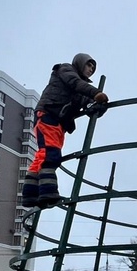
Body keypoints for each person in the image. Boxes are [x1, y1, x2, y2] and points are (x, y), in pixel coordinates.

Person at [22, 53, 109, 208]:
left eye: (93, 68)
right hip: (50, 114)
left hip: (56, 120)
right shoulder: (66, 70)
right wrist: (96, 94)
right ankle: (48, 192)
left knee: (42, 155)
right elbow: (75, 83)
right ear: (80, 63)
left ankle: (31, 194)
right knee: (51, 154)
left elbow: (84, 100)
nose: (91, 69)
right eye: (89, 65)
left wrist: (96, 106)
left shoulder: (77, 89)